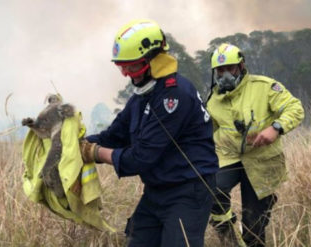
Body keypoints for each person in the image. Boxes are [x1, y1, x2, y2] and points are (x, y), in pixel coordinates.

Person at [79, 19, 219, 247]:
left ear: (154, 59)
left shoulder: (173, 96)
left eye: (132, 66)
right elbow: (114, 135)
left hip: (188, 190)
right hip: (156, 191)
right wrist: (76, 144)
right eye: (121, 67)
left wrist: (95, 153)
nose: (126, 74)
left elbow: (141, 157)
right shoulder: (141, 96)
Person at [206, 43, 305, 247]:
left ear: (241, 66)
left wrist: (276, 128)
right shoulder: (213, 101)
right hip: (229, 157)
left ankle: (252, 234)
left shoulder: (264, 87)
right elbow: (207, 133)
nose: (224, 75)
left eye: (229, 69)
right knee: (211, 189)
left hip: (262, 160)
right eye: (220, 70)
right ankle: (229, 240)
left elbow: (295, 108)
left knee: (254, 225)